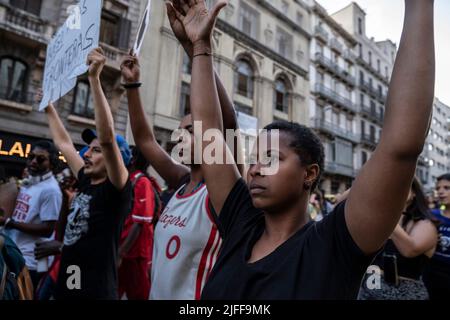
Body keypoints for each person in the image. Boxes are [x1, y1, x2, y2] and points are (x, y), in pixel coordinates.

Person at [172, 0, 435, 299]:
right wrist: (200, 48)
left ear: (309, 174)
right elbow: (209, 135)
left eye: (271, 158)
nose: (255, 169)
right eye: (255, 159)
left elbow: (401, 144)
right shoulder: (240, 220)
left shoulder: (334, 245)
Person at [121, 1, 243, 299]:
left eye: (193, 129)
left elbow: (226, 121)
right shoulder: (179, 183)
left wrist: (196, 48)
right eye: (182, 130)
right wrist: (133, 86)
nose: (182, 136)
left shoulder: (221, 194)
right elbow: (146, 141)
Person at [44, 48, 133, 299]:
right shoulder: (85, 179)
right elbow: (63, 143)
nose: (85, 155)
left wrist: (94, 78)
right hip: (69, 285)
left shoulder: (116, 191)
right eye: (88, 150)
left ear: (116, 159)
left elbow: (106, 139)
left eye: (95, 151)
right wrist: (48, 106)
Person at [359, 177, 438, 299]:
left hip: (404, 293)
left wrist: (386, 214)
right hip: (370, 289)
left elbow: (409, 250)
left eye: (402, 186)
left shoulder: (425, 224)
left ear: (414, 193)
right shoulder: (380, 219)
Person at [0, 140, 62, 290]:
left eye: (40, 159)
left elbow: (47, 229)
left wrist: (9, 222)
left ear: (52, 164)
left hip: (28, 261)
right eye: (31, 156)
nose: (34, 161)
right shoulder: (29, 182)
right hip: (12, 251)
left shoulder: (51, 190)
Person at [118, 147, 161, 300]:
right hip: (125, 250)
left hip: (135, 253)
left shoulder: (141, 182)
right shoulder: (128, 179)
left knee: (139, 294)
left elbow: (140, 222)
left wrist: (121, 252)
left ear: (133, 159)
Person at [423, 173, 450, 299]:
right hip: (432, 273)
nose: (440, 192)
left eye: (446, 188)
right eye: (438, 188)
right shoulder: (431, 215)